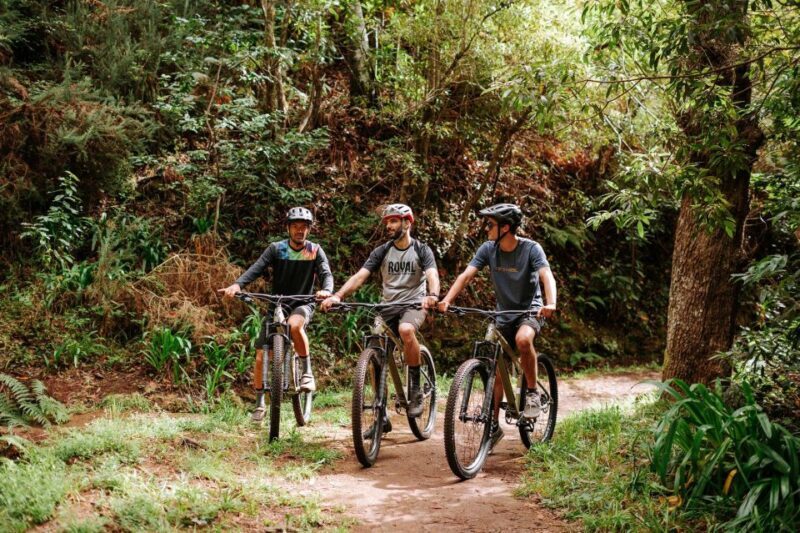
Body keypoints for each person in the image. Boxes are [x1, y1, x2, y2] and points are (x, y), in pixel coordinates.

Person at [438, 203, 557, 450]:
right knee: (496, 365)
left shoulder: (531, 249)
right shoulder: (488, 249)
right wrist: (447, 300)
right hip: (503, 314)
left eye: (490, 225)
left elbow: (546, 275)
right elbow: (466, 276)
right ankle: (492, 427)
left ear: (506, 227)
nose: (486, 229)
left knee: (523, 340)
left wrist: (550, 303)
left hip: (529, 310)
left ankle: (532, 393)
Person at [321, 203, 440, 420]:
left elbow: (432, 275)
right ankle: (380, 410)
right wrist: (337, 296)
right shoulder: (383, 251)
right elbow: (360, 276)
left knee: (405, 330)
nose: (389, 226)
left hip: (414, 305)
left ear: (407, 222)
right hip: (388, 306)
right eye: (387, 222)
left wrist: (432, 295)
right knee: (375, 346)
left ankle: (415, 390)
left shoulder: (421, 250)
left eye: (394, 221)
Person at [219, 207, 333, 422]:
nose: (300, 231)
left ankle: (307, 373)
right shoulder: (276, 249)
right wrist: (237, 285)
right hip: (277, 304)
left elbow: (326, 273)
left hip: (303, 303)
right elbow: (257, 268)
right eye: (296, 226)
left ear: (309, 230)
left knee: (295, 325)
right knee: (262, 355)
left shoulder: (314, 250)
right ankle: (260, 402)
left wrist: (326, 290)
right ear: (288, 228)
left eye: (304, 227)